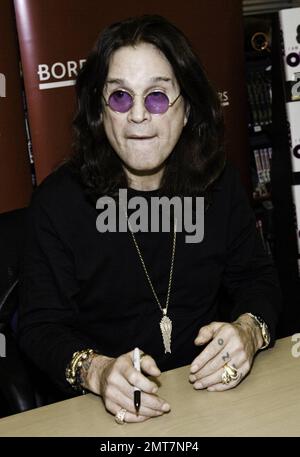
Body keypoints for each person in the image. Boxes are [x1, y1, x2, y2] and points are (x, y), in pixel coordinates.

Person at [18, 14, 281, 424]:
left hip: (213, 398)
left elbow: (258, 278)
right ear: (100, 110)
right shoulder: (59, 203)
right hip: (100, 412)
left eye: (156, 96)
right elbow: (39, 325)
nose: (138, 115)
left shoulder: (219, 183)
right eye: (120, 97)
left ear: (187, 108)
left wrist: (248, 330)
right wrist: (97, 371)